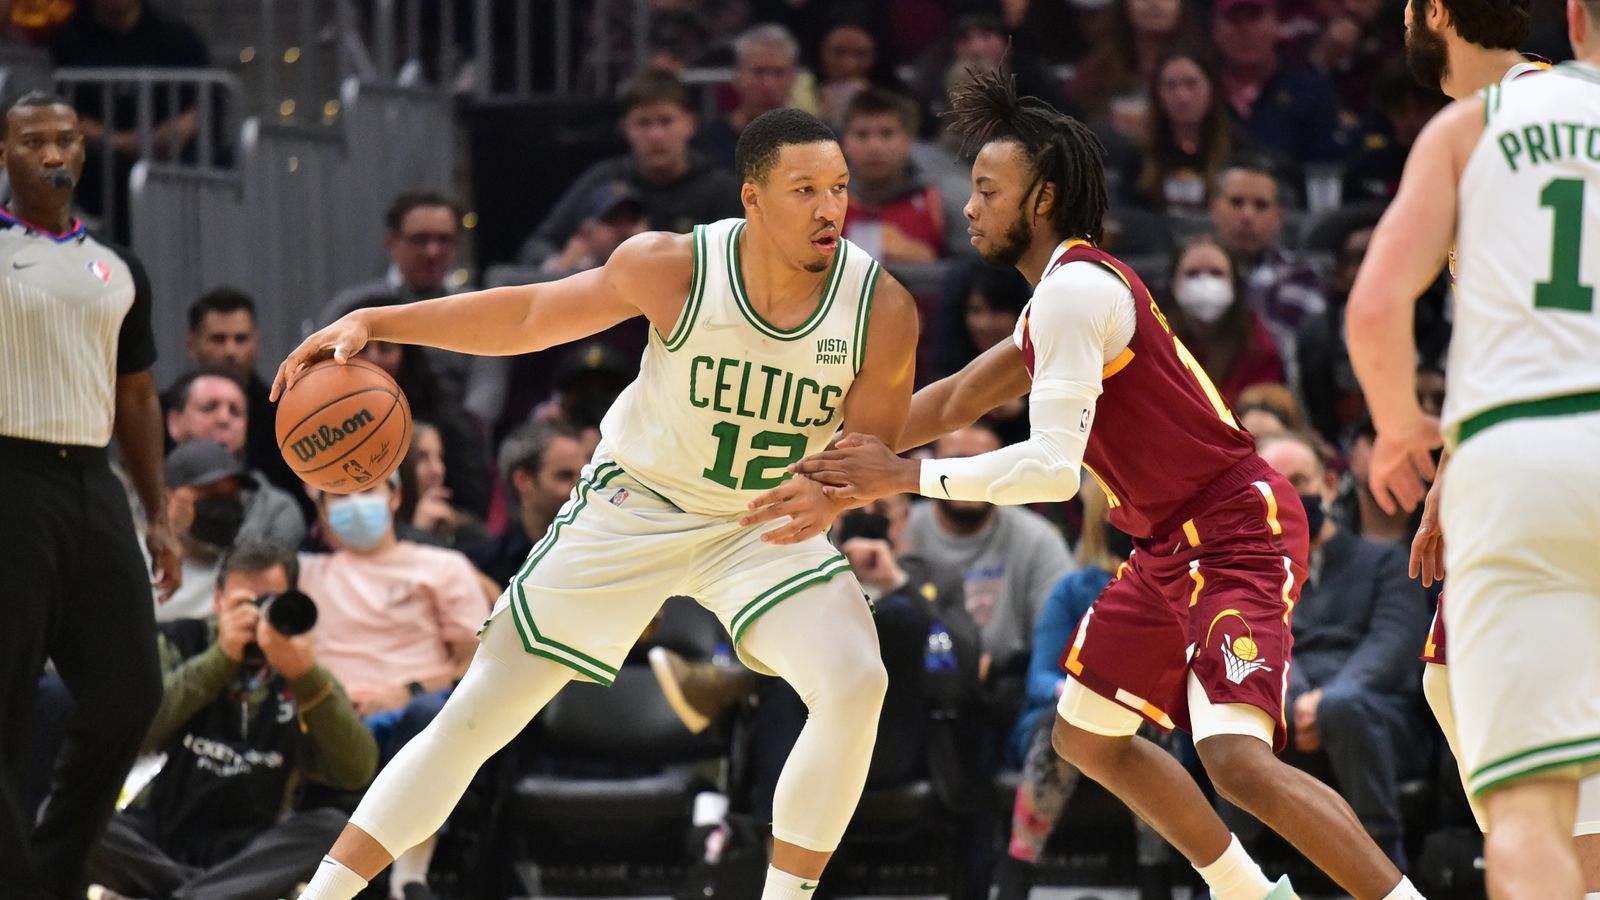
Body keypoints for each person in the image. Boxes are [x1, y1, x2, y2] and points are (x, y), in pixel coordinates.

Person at [763, 68, 1423, 900]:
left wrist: (899, 477)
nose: (968, 207)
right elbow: (960, 395)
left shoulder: (1077, 292)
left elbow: (1048, 471)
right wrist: (816, 439)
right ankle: (1248, 891)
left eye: (987, 189)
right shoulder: (1055, 300)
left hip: (1233, 528)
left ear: (1040, 201)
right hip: (1166, 545)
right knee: (1085, 736)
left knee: (1235, 761)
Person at [275, 107, 919, 900]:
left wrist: (830, 497)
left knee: (857, 680)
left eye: (841, 188)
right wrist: (376, 319)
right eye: (806, 189)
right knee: (478, 713)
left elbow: (872, 451)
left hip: (758, 524)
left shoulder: (879, 307)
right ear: (753, 198)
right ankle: (324, 895)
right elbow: (529, 315)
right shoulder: (673, 267)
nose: (831, 208)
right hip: (636, 504)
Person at [1344, 0, 1600, 888]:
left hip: (1526, 460)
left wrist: (1398, 429)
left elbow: (1375, 307)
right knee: (1446, 680)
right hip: (1531, 441)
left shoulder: (1469, 129)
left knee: (1528, 797)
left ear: (1439, 13)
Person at [0, 90, 177, 899]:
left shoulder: (119, 267)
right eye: (32, 139)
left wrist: (159, 514)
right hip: (9, 476)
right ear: (4, 154)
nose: (52, 152)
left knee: (131, 689)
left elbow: (137, 398)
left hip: (93, 479)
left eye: (65, 138)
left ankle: (52, 872)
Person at [86, 542, 377, 900]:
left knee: (333, 828)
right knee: (78, 816)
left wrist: (306, 678)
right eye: (245, 604)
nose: (256, 617)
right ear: (218, 601)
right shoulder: (178, 641)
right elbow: (133, 734)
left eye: (269, 604)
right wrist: (220, 659)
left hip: (253, 849)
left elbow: (358, 770)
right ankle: (212, 893)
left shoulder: (303, 671)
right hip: (158, 835)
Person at [298, 474, 494, 899]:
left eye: (366, 489)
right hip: (330, 721)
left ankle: (409, 879)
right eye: (337, 494)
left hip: (417, 710)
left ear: (395, 495)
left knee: (431, 717)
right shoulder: (303, 574)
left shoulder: (443, 566)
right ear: (321, 509)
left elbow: (480, 663)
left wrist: (408, 690)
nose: (354, 502)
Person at [1250, 432, 1430, 865]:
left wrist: (1328, 699)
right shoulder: (1256, 577)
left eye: (1301, 481)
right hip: (1292, 711)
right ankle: (1235, 876)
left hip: (1379, 714)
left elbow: (1393, 644)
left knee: (1343, 709)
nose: (1291, 496)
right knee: (1236, 719)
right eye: (1277, 486)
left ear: (1330, 484)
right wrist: (1295, 701)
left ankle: (1385, 866)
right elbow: (1259, 646)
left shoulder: (1386, 561)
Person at [902, 424, 1077, 716]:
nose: (970, 475)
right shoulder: (903, 530)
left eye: (985, 464)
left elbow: (1059, 642)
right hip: (914, 690)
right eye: (957, 462)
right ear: (927, 467)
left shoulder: (1038, 538)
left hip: (1007, 693)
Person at [518, 68, 742, 265]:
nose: (655, 135)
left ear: (690, 123)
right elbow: (537, 245)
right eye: (643, 123)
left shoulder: (722, 189)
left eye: (666, 121)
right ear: (626, 128)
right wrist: (562, 263)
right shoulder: (602, 180)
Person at [323, 191, 507, 428]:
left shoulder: (475, 308)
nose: (433, 251)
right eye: (420, 239)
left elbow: (487, 393)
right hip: (361, 430)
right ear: (392, 241)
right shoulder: (350, 307)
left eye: (444, 239)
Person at [184, 287, 310, 515]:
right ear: (193, 345)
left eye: (240, 339)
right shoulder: (161, 413)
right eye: (218, 339)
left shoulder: (284, 416)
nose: (230, 350)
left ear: (256, 342)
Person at [164, 368, 307, 551]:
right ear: (174, 422)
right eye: (209, 407)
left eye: (235, 411)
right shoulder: (136, 496)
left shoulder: (276, 511)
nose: (224, 419)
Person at [1209, 155, 1327, 353]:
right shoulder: (1187, 271)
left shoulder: (1302, 277)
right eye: (1236, 203)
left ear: (1279, 217)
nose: (1247, 215)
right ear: (1213, 209)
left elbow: (1285, 351)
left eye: (1261, 205)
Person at [1210, 0, 1342, 163]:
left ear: (1276, 24)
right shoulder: (1203, 92)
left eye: (1254, 17)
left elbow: (1324, 170)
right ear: (1215, 31)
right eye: (1234, 19)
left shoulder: (1311, 92)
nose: (1245, 30)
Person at [1163, 234, 1285, 405]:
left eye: (1216, 273)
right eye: (1192, 274)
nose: (1204, 284)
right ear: (1173, 283)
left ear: (1234, 284)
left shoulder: (1259, 347)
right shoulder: (1157, 341)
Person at [466, 420, 590, 585]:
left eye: (584, 476)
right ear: (523, 479)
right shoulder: (483, 567)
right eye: (565, 476)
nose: (582, 487)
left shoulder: (605, 554)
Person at [158, 439, 269, 621]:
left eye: (233, 495)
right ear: (167, 500)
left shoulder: (253, 570)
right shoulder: (137, 563)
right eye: (210, 494)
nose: (224, 507)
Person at [1127, 49, 1243, 215]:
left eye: (1192, 84)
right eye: (1170, 85)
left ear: (1213, 89)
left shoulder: (1239, 154)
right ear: (1157, 95)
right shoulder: (1139, 157)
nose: (1182, 96)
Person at [694, 24, 802, 170]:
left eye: (779, 73)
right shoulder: (707, 143)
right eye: (759, 72)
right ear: (737, 76)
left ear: (793, 78)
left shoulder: (814, 140)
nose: (768, 84)